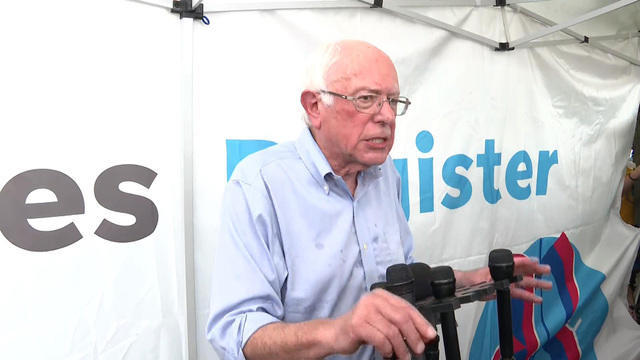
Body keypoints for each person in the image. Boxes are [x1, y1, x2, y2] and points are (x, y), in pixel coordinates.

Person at [206, 40, 552, 360]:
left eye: (392, 101)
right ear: (314, 107)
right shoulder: (260, 186)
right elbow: (236, 331)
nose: (386, 115)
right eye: (366, 99)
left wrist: (470, 281)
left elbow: (401, 281)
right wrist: (340, 331)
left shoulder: (385, 174)